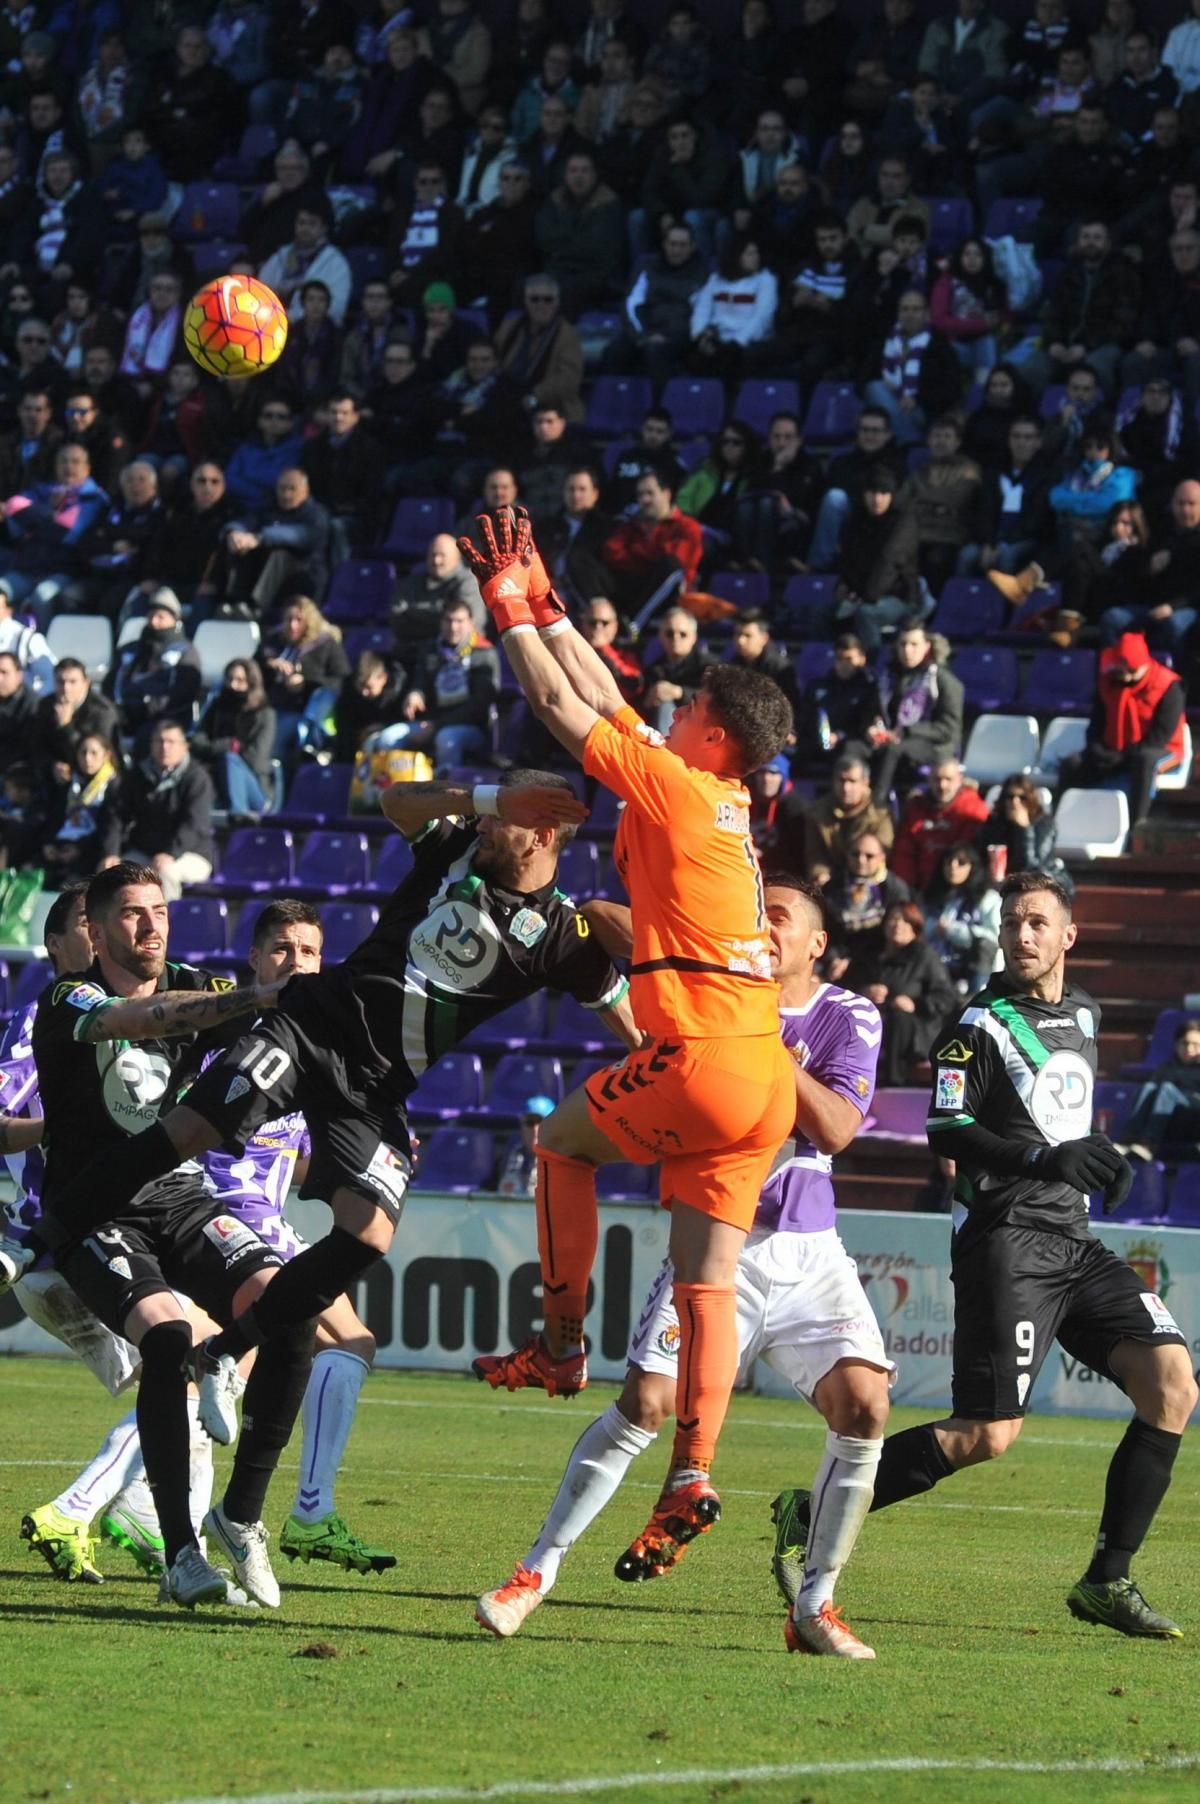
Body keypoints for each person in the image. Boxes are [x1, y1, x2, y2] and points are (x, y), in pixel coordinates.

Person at [42, 768, 638, 1494]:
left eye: (505, 818)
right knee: (191, 1129)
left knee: (369, 1235)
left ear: (542, 835)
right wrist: (484, 801)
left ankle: (229, 1358)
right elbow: (393, 798)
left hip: (377, 1088)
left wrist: (676, 1033)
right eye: (488, 813)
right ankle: (51, 1232)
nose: (486, 826)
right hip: (315, 1028)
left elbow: (630, 1022)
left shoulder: (564, 935)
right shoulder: (454, 847)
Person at [462, 506, 797, 1570]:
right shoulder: (722, 800)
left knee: (561, 1144)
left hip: (698, 1058)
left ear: (713, 733)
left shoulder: (681, 785)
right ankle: (692, 1468)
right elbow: (605, 692)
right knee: (704, 1288)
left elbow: (565, 705)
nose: (672, 701)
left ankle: (560, 1345)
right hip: (764, 1079)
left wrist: (506, 605)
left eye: (690, 701)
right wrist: (552, 599)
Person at [777, 870, 1198, 1639]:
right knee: (987, 1434)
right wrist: (1045, 1165)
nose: (1021, 934)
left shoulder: (1086, 1014)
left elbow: (1056, 1115)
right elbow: (947, 1129)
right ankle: (810, 1510)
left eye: (1037, 922)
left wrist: (1104, 1156)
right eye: (1012, 922)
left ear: (1069, 936)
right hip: (1005, 1241)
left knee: (1173, 1386)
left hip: (1074, 1240)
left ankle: (1107, 1580)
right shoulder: (977, 1022)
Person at [477, 875, 890, 1658]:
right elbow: (603, 921)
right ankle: (534, 1573)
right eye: (756, 916)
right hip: (712, 1241)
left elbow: (836, 1126)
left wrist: (754, 1044)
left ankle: (815, 1605)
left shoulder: (845, 1013)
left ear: (816, 944)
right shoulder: (713, 991)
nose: (765, 930)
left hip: (805, 1251)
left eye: (781, 920)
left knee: (866, 1406)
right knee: (645, 1401)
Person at [29, 863, 319, 1610]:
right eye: (130, 914)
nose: (150, 926)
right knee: (161, 1337)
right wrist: (258, 994)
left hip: (179, 1195)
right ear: (94, 929)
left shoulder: (195, 982)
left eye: (158, 910)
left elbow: (287, 1031)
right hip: (94, 1210)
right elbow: (136, 1023)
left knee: (290, 1306)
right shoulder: (68, 998)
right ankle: (181, 1556)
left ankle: (241, 1514)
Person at [0, 883, 212, 1586]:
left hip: (79, 1240)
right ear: (64, 942)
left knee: (188, 1373)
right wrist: (64, 1126)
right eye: (82, 933)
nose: (94, 946)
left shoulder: (116, 1008)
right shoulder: (49, 1016)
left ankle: (147, 1525)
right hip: (67, 1239)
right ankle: (83, 1509)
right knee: (188, 1371)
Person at [1057, 631, 1187, 832]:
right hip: (1115, 749)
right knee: (1072, 764)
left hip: (1161, 751)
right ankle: (1061, 826)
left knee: (1144, 761)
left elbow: (1159, 737)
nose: (1124, 675)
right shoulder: (1107, 682)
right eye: (1121, 669)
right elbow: (1096, 725)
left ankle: (1136, 827)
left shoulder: (1169, 686)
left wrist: (1122, 758)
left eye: (1131, 670)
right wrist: (1097, 749)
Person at [100, 719, 216, 901]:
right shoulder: (137, 775)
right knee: (113, 874)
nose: (164, 747)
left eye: (171, 742)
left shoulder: (197, 779)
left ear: (184, 746)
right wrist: (111, 853)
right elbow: (116, 816)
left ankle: (164, 927)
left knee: (164, 874)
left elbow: (195, 824)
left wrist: (171, 853)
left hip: (190, 853)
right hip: (145, 852)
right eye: (159, 741)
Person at [847, 899, 957, 1087]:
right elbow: (844, 987)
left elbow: (947, 997)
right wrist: (863, 992)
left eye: (905, 921)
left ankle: (893, 1083)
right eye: (893, 919)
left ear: (915, 927)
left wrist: (915, 1004)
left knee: (900, 1019)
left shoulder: (924, 956)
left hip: (916, 1030)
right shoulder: (869, 955)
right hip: (874, 1023)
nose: (898, 925)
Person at [385, 597, 499, 769]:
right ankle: (389, 790)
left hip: (470, 726)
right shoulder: (431, 650)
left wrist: (437, 726)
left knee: (446, 738)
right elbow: (420, 682)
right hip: (430, 722)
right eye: (448, 620)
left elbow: (480, 704)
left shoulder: (484, 653)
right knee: (388, 738)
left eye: (459, 621)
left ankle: (445, 792)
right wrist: (416, 694)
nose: (453, 627)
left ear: (471, 623)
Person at [869, 621, 965, 805]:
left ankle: (875, 809)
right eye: (903, 644)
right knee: (857, 749)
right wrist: (872, 727)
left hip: (936, 746)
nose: (907, 650)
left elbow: (948, 729)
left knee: (892, 750)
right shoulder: (887, 677)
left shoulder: (944, 680)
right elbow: (875, 711)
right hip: (894, 741)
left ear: (927, 646)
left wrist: (906, 731)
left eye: (914, 644)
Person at [601, 469, 704, 631]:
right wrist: (650, 557)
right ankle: (599, 619)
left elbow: (678, 562)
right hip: (634, 587)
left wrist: (635, 553)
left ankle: (633, 625)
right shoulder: (632, 525)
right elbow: (611, 553)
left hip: (671, 597)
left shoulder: (687, 527)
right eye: (640, 495)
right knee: (583, 560)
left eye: (650, 493)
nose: (644, 499)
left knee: (670, 566)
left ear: (667, 494)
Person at [106, 586, 202, 748]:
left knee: (147, 737)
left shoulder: (185, 652)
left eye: (161, 617)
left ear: (175, 619)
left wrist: (145, 707)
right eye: (151, 616)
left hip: (162, 719)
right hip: (123, 714)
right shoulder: (130, 649)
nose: (154, 622)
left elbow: (182, 694)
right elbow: (111, 683)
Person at [191, 657, 278, 818]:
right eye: (229, 679)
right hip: (216, 775)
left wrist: (222, 752)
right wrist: (227, 745)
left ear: (251, 682)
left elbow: (256, 758)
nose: (233, 685)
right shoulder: (217, 707)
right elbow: (197, 742)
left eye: (239, 680)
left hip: (254, 786)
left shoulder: (265, 714)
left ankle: (238, 816)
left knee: (230, 760)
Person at [891, 756, 991, 893]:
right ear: (929, 780)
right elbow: (903, 852)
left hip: (957, 891)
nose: (942, 785)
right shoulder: (915, 808)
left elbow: (968, 856)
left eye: (948, 780)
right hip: (918, 890)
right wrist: (904, 889)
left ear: (959, 780)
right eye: (937, 779)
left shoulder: (973, 809)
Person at [824, 832, 912, 980]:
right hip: (836, 961)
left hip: (878, 965)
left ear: (882, 858)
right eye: (855, 854)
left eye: (869, 856)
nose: (861, 860)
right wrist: (834, 958)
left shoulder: (894, 889)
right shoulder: (834, 887)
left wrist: (853, 963)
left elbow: (897, 937)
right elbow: (824, 927)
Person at [803, 753, 895, 886]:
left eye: (852, 781)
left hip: (871, 881)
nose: (846, 788)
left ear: (865, 784)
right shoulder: (818, 812)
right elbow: (815, 853)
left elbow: (883, 853)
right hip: (831, 882)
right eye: (841, 780)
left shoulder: (880, 814)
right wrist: (820, 873)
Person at [921, 843, 1002, 995]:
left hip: (972, 971)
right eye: (948, 861)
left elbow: (995, 939)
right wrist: (933, 927)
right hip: (937, 970)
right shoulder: (932, 897)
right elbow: (919, 929)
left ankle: (978, 999)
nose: (953, 867)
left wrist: (953, 930)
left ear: (973, 867)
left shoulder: (988, 899)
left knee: (983, 946)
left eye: (961, 863)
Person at [1119, 1018, 1200, 1165]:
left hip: (1191, 1121)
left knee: (1167, 1089)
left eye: (1195, 1045)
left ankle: (1149, 1144)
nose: (1189, 1049)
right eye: (1185, 1043)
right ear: (1176, 1045)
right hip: (1167, 1123)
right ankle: (1130, 1138)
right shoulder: (1168, 1066)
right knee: (1149, 1087)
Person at [978, 774, 1066, 887]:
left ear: (1030, 799)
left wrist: (1023, 828)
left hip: (1038, 883)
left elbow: (1032, 867)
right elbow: (981, 854)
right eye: (1010, 797)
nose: (1015, 802)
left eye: (1022, 798)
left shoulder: (1044, 824)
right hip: (1001, 882)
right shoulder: (995, 822)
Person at [638, 605, 706, 737]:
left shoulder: (708, 666)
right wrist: (648, 701)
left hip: (698, 732)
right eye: (670, 633)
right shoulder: (653, 670)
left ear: (694, 637)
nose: (676, 638)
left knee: (666, 707)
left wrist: (679, 692)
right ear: (661, 636)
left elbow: (715, 701)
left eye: (683, 634)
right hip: (661, 732)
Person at [495, 1092, 555, 1197]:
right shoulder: (507, 1158)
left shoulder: (564, 1162)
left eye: (542, 1122)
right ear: (522, 1126)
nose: (535, 1129)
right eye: (530, 1122)